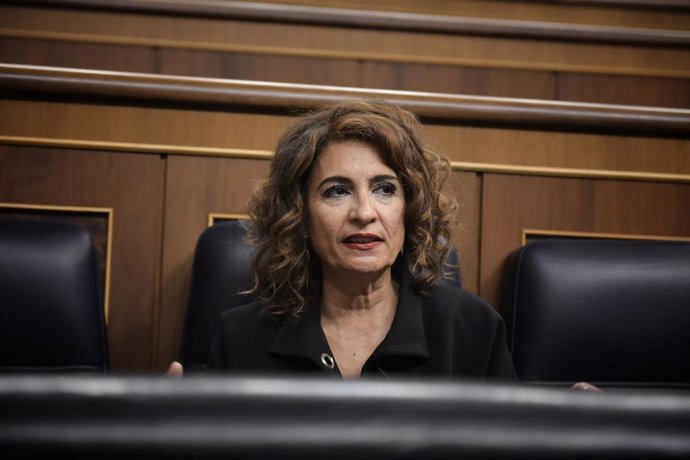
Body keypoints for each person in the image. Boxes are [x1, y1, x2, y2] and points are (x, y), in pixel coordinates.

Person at [170, 98, 511, 381]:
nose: (364, 212)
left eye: (385, 189)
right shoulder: (239, 338)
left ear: (409, 210)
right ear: (299, 215)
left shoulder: (473, 330)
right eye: (337, 191)